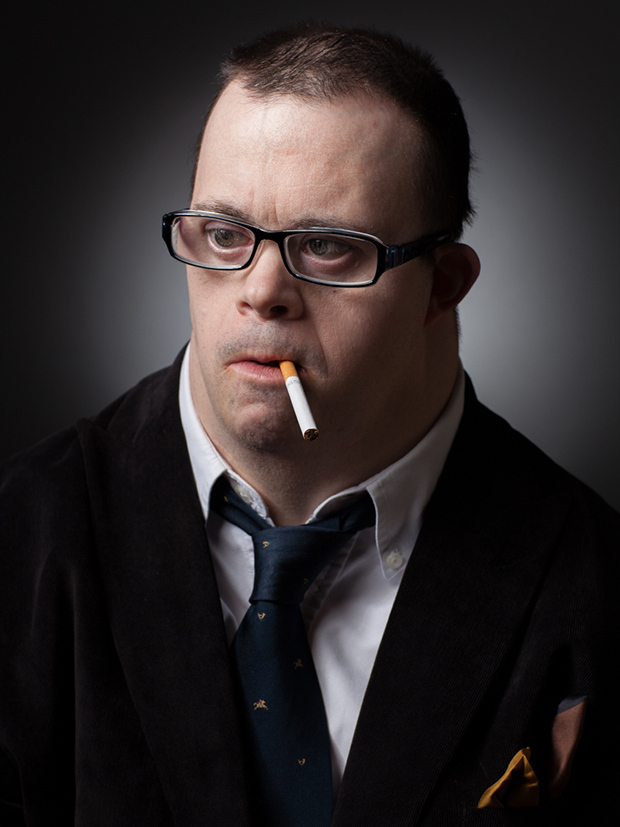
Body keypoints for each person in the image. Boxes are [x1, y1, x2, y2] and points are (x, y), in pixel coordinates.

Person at [1, 23, 618, 826]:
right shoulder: (24, 535)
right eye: (224, 235)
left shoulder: (592, 586)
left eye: (327, 245)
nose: (261, 292)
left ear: (443, 285)